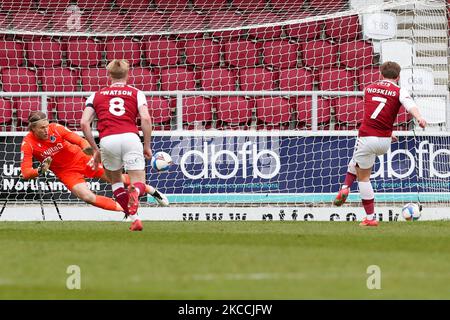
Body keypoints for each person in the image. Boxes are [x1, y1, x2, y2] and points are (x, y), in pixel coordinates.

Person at [333, 61, 427, 227]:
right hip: (385, 140)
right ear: (398, 77)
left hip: (367, 136)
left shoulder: (368, 89)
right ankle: (345, 186)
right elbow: (409, 105)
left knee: (363, 177)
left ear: (380, 74)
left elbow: (374, 111)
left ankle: (369, 216)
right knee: (356, 162)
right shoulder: (399, 90)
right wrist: (419, 117)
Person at [20, 111, 168, 215]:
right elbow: (26, 173)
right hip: (66, 173)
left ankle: (151, 190)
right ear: (32, 128)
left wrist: (89, 153)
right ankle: (127, 209)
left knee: (120, 180)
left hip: (83, 160)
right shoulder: (28, 143)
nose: (47, 130)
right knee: (87, 197)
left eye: (47, 126)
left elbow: (79, 140)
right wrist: (40, 171)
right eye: (42, 128)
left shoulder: (56, 129)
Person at [81, 59, 154, 231]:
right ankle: (135, 193)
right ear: (128, 74)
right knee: (139, 183)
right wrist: (147, 145)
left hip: (108, 140)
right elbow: (145, 118)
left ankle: (134, 219)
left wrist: (95, 149)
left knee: (116, 181)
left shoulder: (95, 95)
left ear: (109, 74)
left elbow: (84, 123)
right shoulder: (137, 93)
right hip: (130, 137)